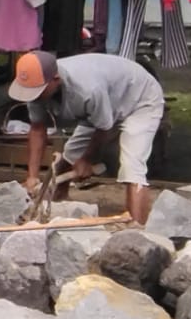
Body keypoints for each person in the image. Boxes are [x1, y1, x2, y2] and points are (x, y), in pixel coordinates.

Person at [11, 49, 165, 224]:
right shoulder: (34, 88)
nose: (33, 96)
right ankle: (59, 205)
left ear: (55, 80)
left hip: (140, 100)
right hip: (106, 103)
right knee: (67, 157)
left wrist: (87, 159)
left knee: (132, 167)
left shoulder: (86, 89)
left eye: (37, 91)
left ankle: (138, 231)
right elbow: (38, 129)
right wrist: (32, 176)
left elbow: (104, 128)